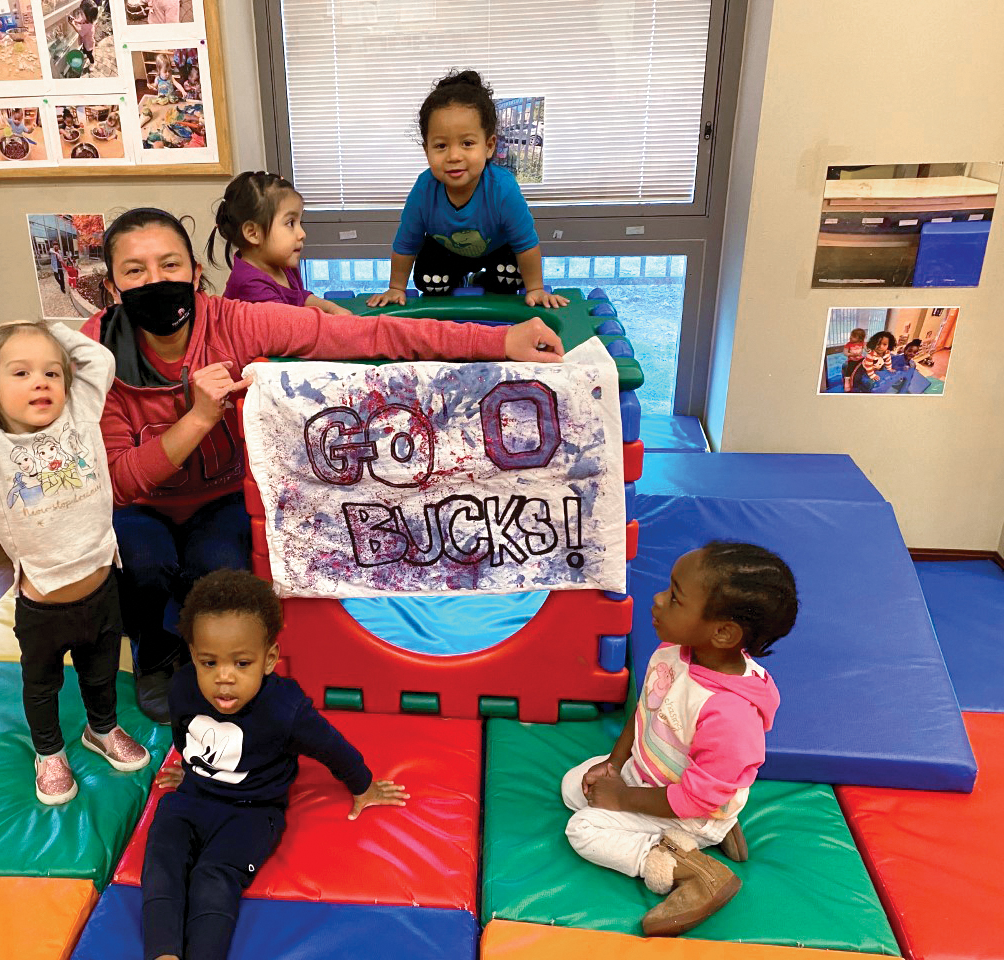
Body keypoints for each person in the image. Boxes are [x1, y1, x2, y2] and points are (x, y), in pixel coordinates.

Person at [79, 207, 564, 722]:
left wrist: (495, 342)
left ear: (196, 275)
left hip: (220, 497)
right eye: (135, 271)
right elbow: (121, 483)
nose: (155, 281)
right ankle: (155, 653)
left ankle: (199, 635)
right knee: (142, 563)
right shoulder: (96, 351)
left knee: (219, 573)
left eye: (170, 265)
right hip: (142, 506)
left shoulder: (235, 322)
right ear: (113, 286)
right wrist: (198, 418)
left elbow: (369, 337)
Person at [0, 320, 151, 804]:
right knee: (41, 686)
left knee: (101, 673)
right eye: (20, 373)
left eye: (51, 373)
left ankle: (101, 729)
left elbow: (99, 361)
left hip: (102, 588)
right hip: (43, 605)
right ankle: (49, 751)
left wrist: (51, 330)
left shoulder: (81, 417)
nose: (40, 381)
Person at [143, 569, 408, 960]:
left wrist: (363, 785)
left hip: (252, 814)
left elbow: (332, 747)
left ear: (268, 660)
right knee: (162, 861)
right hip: (192, 797)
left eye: (241, 663)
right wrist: (191, 766)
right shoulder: (183, 687)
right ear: (193, 657)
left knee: (213, 877)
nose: (224, 679)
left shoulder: (285, 710)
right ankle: (162, 953)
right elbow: (187, 734)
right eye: (209, 663)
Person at [560, 541, 797, 937]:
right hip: (651, 776)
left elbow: (694, 798)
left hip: (692, 808)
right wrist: (614, 765)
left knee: (582, 830)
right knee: (573, 788)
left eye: (675, 598)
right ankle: (713, 827)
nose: (658, 599)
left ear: (722, 632)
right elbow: (645, 715)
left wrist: (620, 798)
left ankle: (690, 867)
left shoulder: (729, 715)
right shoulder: (675, 651)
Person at [367, 71, 568, 309]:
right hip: (445, 253)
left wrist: (535, 289)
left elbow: (525, 243)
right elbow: (406, 243)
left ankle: (483, 279)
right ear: (426, 150)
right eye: (441, 146)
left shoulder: (502, 188)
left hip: (497, 251)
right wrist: (396, 288)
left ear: (489, 146)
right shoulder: (424, 189)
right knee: (431, 283)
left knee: (511, 277)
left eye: (467, 144)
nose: (454, 156)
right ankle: (458, 278)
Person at [209, 171, 350, 314]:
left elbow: (300, 297)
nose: (302, 234)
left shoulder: (281, 264)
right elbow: (291, 327)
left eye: (300, 222)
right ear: (253, 233)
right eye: (290, 223)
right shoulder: (251, 287)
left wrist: (332, 308)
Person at [70, 0, 99, 71]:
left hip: (89, 44)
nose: (81, 16)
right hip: (86, 42)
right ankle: (86, 53)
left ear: (88, 16)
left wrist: (72, 24)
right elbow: (81, 21)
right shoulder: (88, 19)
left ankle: (92, 63)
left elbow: (79, 31)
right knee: (85, 50)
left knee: (89, 54)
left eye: (82, 14)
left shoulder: (88, 26)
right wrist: (75, 20)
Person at [840, 327, 867, 392]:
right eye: (851, 335)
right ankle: (847, 381)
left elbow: (867, 349)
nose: (851, 337)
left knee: (866, 364)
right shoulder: (848, 344)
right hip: (852, 360)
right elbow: (845, 352)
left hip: (860, 359)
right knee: (849, 370)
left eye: (854, 336)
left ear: (860, 338)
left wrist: (870, 352)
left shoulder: (862, 343)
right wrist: (851, 355)